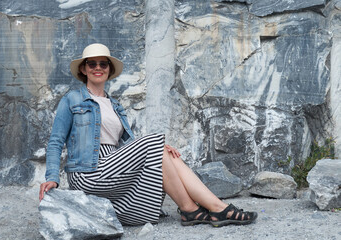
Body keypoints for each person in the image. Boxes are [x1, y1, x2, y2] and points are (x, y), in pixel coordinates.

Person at [39, 43, 258, 227]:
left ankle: (199, 209)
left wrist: (159, 148)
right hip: (89, 171)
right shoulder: (72, 99)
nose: (98, 67)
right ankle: (205, 208)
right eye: (92, 64)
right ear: (84, 70)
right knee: (155, 144)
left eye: (103, 63)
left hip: (113, 166)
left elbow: (130, 145)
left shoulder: (115, 106)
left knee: (168, 153)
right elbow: (56, 141)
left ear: (108, 69)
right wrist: (52, 178)